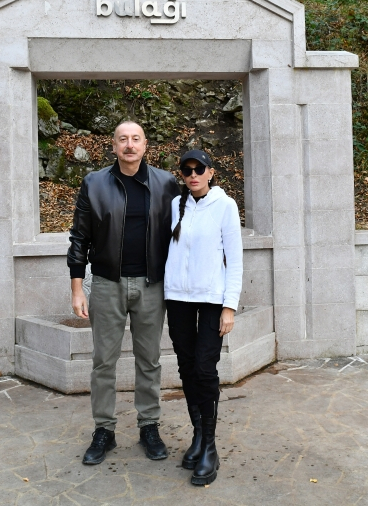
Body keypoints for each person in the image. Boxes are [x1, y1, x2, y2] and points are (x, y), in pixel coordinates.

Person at [67, 121, 180, 465]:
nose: (129, 145)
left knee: (150, 360)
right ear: (114, 146)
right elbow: (79, 238)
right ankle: (104, 429)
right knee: (104, 361)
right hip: (107, 284)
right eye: (123, 140)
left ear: (145, 145)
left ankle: (149, 426)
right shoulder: (94, 183)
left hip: (152, 285)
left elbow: (182, 233)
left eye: (135, 139)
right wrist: (77, 289)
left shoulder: (166, 183)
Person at [163, 149, 243, 486]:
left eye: (199, 169)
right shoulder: (175, 205)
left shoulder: (225, 206)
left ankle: (210, 446)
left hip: (212, 299)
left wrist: (229, 306)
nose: (193, 175)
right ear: (181, 174)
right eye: (187, 170)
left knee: (205, 368)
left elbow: (235, 259)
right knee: (186, 366)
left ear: (210, 172)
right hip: (178, 298)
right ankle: (197, 435)